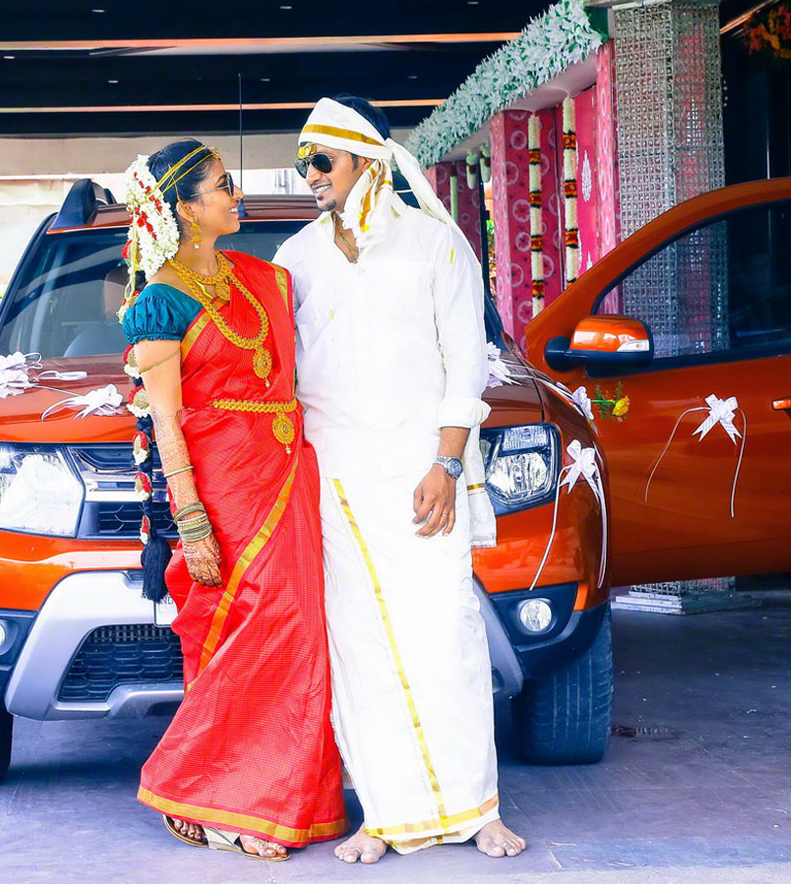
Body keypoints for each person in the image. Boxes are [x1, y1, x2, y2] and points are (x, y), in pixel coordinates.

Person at [273, 96, 527, 863]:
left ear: (364, 159)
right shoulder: (296, 258)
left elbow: (466, 364)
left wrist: (446, 463)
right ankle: (383, 815)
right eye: (304, 163)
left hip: (425, 478)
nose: (311, 175)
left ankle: (478, 808)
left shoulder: (435, 245)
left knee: (445, 635)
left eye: (322, 160)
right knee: (360, 646)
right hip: (338, 483)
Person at [119, 140, 346, 861]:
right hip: (222, 488)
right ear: (185, 209)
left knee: (300, 630)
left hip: (288, 475)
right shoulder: (159, 302)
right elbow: (165, 419)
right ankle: (198, 787)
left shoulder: (265, 278)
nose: (235, 194)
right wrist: (190, 521)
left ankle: (271, 799)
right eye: (222, 186)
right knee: (248, 630)